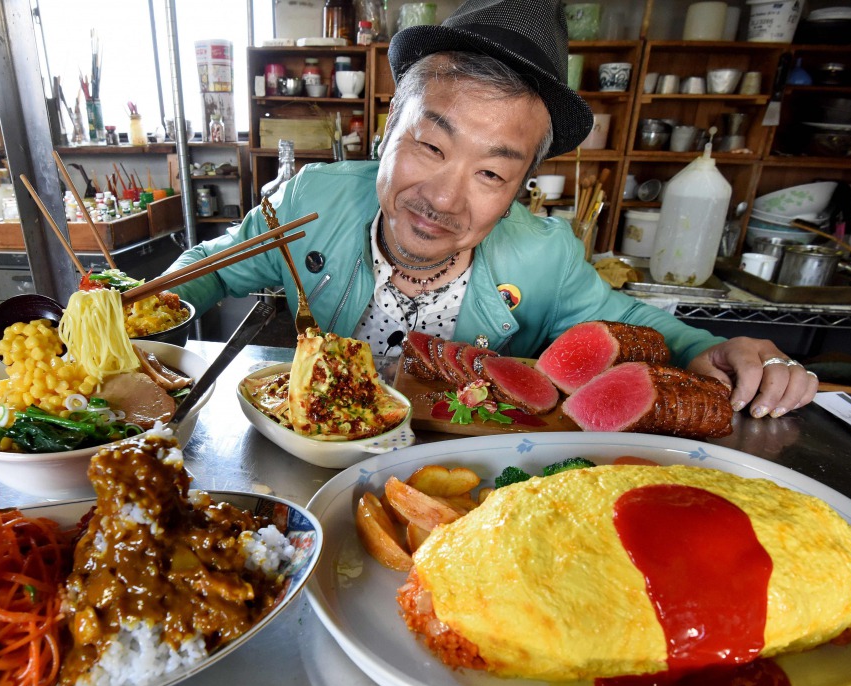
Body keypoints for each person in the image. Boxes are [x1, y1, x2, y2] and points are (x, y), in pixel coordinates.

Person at [163, 0, 817, 418]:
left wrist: (719, 350)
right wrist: (135, 302)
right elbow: (216, 265)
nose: (444, 200)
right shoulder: (313, 198)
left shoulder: (544, 253)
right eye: (429, 145)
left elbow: (636, 325)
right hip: (317, 449)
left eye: (491, 172)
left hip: (474, 478)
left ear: (521, 187)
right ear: (388, 131)